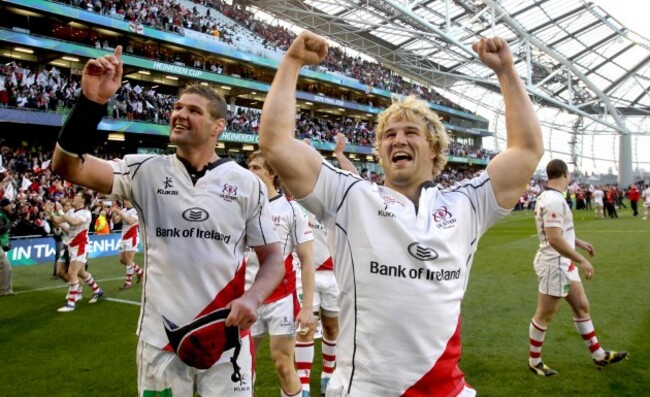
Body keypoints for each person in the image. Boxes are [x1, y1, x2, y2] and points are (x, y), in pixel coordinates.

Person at [259, 31, 544, 396]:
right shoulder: (349, 196)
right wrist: (292, 62)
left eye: (411, 132)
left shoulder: (467, 204)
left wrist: (506, 70)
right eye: (389, 135)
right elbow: (275, 143)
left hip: (447, 390)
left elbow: (527, 149)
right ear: (381, 151)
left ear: (435, 146)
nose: (398, 140)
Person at [50, 46, 284, 396]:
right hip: (161, 344)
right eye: (177, 107)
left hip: (225, 341)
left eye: (193, 110)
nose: (179, 114)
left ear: (218, 126)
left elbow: (273, 260)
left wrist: (253, 298)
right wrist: (90, 103)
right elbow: (68, 167)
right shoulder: (143, 170)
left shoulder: (246, 182)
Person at [528, 159, 628, 376]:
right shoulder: (554, 200)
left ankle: (599, 355)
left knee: (582, 306)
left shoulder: (550, 197)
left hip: (562, 262)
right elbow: (554, 239)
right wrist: (581, 259)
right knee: (544, 314)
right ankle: (534, 361)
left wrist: (579, 243)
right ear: (565, 174)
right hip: (554, 263)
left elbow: (560, 233)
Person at [245, 150, 316, 397]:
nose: (249, 172)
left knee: (284, 365)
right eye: (249, 167)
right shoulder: (242, 206)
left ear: (272, 173)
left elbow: (307, 260)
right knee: (242, 368)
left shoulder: (292, 210)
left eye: (256, 167)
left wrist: (307, 307)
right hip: (247, 299)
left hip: (281, 300)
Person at [295, 133, 357, 396]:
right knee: (305, 328)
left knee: (332, 328)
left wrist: (341, 155)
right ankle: (304, 383)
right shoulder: (302, 199)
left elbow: (357, 182)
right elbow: (291, 175)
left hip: (334, 276)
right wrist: (301, 154)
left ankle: (328, 374)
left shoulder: (338, 203)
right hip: (306, 274)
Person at [45, 191, 104, 312]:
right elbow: (58, 222)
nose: (74, 197)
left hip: (80, 245)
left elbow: (74, 222)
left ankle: (71, 303)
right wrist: (51, 213)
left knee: (72, 272)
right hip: (70, 244)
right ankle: (97, 290)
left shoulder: (86, 213)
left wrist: (61, 211)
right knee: (79, 272)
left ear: (83, 200)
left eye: (77, 196)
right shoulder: (71, 211)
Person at [111, 200, 144, 289]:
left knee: (128, 259)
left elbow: (130, 221)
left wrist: (118, 212)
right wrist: (114, 213)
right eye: (124, 200)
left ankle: (128, 283)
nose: (125, 202)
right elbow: (116, 221)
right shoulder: (124, 210)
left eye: (127, 200)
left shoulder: (136, 210)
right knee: (122, 260)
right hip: (124, 237)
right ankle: (140, 271)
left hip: (132, 237)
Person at [0, 197, 15, 297]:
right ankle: (5, 290)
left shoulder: (4, 215)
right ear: (3, 206)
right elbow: (1, 230)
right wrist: (11, 222)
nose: (11, 206)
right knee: (6, 266)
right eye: (9, 204)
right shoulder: (0, 216)